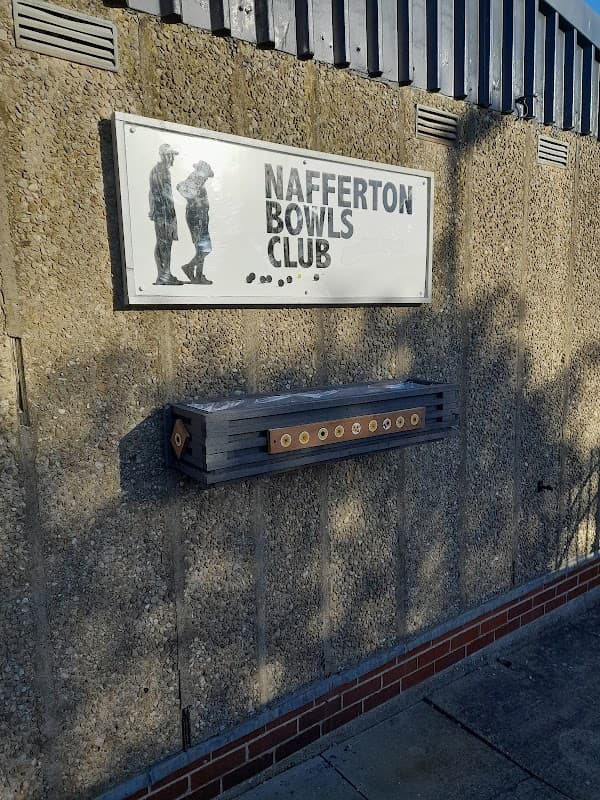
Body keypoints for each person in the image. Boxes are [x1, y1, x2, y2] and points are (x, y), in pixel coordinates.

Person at [149, 143, 183, 286]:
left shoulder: (159, 170)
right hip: (164, 213)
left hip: (162, 212)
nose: (172, 158)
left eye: (172, 155)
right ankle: (165, 275)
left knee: (162, 243)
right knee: (165, 244)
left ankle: (163, 274)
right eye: (170, 155)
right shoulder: (161, 171)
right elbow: (164, 194)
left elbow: (152, 193)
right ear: (164, 156)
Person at [176, 160, 214, 285]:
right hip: (196, 218)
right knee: (203, 248)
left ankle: (198, 275)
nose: (206, 178)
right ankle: (191, 268)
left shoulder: (199, 183)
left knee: (203, 248)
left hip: (201, 217)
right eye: (206, 175)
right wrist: (192, 197)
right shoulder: (193, 180)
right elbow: (180, 186)